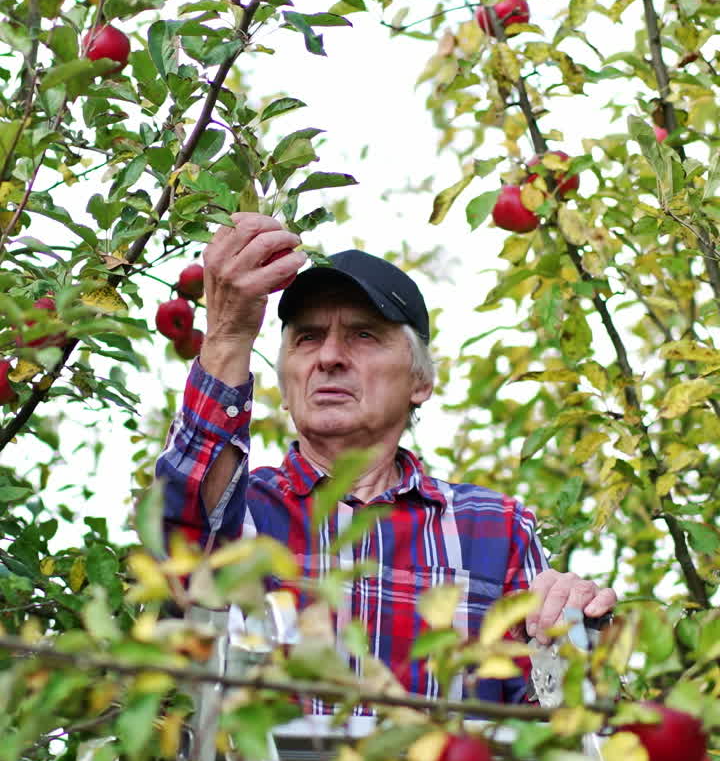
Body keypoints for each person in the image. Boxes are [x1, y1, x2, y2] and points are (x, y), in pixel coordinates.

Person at [157, 212, 615, 706]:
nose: (329, 356)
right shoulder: (245, 513)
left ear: (421, 381)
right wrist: (227, 338)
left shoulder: (496, 530)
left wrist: (573, 632)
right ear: (285, 385)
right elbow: (181, 531)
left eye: (364, 334)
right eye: (307, 337)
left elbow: (547, 724)